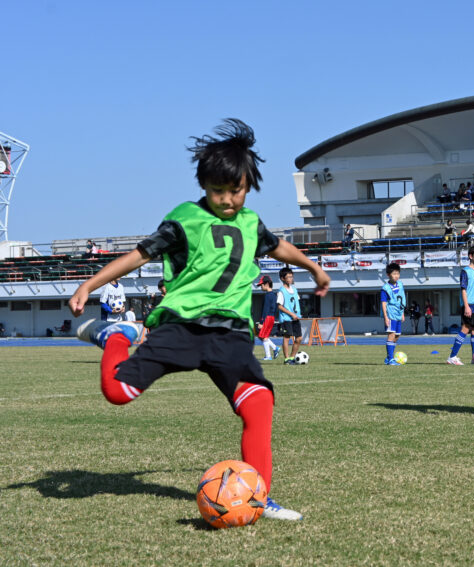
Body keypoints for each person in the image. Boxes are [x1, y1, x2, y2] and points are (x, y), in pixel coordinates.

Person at [68, 119, 331, 522]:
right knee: (117, 392)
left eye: (235, 190)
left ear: (249, 184)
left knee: (260, 402)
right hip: (182, 329)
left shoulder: (251, 223)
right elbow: (139, 255)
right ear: (203, 186)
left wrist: (314, 268)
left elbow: (280, 248)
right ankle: (116, 335)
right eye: (217, 191)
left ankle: (258, 496)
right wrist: (90, 284)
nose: (227, 200)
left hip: (230, 335)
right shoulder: (184, 219)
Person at [447, 246, 474, 365]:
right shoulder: (465, 271)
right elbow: (463, 290)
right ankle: (452, 356)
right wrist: (466, 306)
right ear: (471, 256)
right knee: (465, 329)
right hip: (470, 305)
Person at [276, 268, 304, 364]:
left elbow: (297, 302)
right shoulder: (281, 291)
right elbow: (279, 306)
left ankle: (292, 357)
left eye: (291, 276)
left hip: (295, 318)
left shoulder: (295, 289)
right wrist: (291, 314)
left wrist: (297, 313)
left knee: (299, 338)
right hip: (286, 318)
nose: (291, 278)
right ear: (282, 278)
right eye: (288, 277)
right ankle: (287, 359)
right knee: (287, 337)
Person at [381, 262, 406, 365]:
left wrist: (402, 313)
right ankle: (391, 359)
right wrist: (385, 317)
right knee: (391, 335)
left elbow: (402, 299)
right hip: (390, 314)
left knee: (397, 335)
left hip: (398, 314)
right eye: (394, 273)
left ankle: (389, 358)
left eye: (398, 273)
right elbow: (383, 303)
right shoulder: (385, 288)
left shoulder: (400, 284)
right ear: (388, 275)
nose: (396, 276)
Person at [256, 275, 281, 361]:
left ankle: (268, 355)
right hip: (272, 317)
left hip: (267, 317)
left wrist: (261, 321)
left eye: (261, 285)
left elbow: (265, 309)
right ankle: (275, 348)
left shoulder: (267, 295)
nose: (261, 287)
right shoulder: (274, 295)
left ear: (266, 284)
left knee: (264, 336)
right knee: (262, 336)